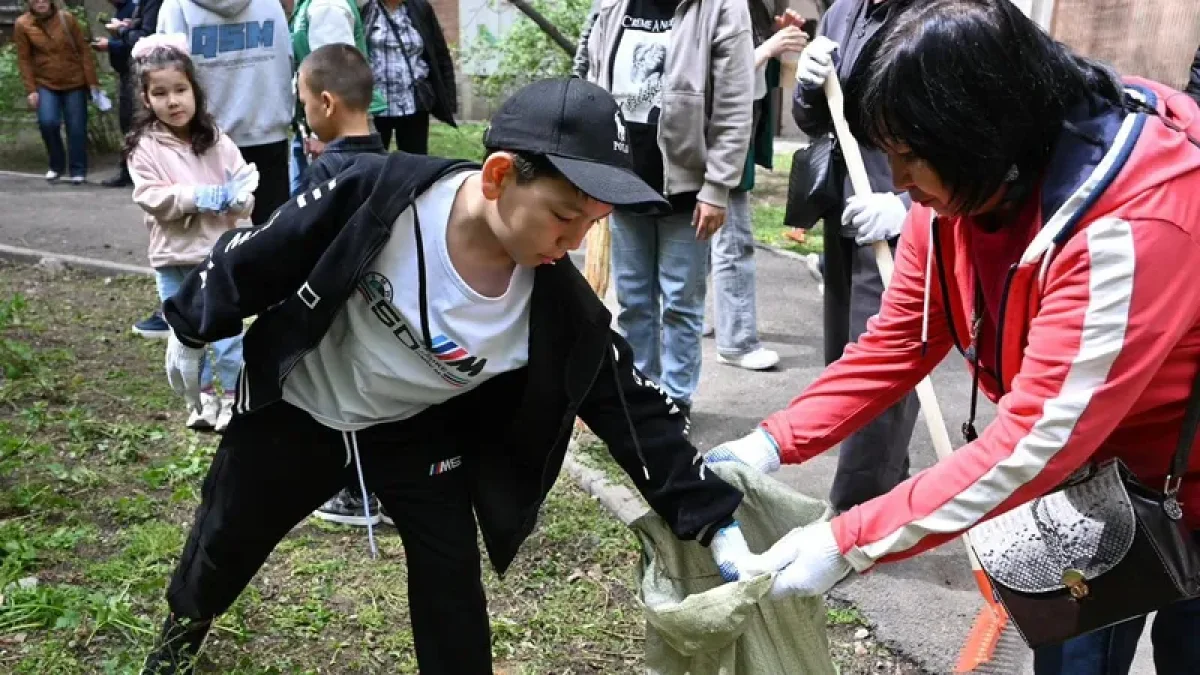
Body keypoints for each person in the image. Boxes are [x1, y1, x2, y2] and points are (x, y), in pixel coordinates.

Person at [139, 78, 769, 675]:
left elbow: (632, 410)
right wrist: (195, 323)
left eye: (593, 224)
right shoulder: (377, 195)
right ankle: (183, 632)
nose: (574, 242)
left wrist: (713, 517)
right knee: (226, 536)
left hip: (415, 432)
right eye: (563, 215)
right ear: (498, 176)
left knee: (450, 578)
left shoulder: (557, 308)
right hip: (301, 409)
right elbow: (263, 252)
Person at [706, 1, 1200, 673]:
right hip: (1082, 484)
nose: (902, 184)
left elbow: (1032, 443)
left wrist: (847, 540)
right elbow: (896, 343)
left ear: (982, 134)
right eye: (891, 156)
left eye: (912, 158)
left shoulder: (1127, 229)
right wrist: (768, 443)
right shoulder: (956, 202)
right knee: (1069, 657)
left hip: (1184, 474)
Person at [581, 0, 755, 423]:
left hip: (687, 186)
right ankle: (642, 394)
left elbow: (734, 105)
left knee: (680, 302)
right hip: (623, 180)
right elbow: (590, 73)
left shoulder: (722, 8)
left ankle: (676, 401)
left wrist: (716, 189)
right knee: (634, 301)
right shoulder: (614, 3)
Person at [790, 0, 920, 513]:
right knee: (843, 359)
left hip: (904, 212)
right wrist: (806, 84)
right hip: (847, 210)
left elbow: (985, 135)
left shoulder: (946, 15)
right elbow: (814, 119)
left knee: (879, 363)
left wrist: (908, 208)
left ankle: (855, 514)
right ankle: (887, 483)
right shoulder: (844, 11)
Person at [125, 33, 255, 433]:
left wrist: (236, 200)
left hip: (217, 256)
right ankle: (200, 402)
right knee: (185, 336)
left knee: (227, 336)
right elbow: (150, 197)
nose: (173, 101)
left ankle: (233, 399)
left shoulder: (217, 141)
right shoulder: (143, 147)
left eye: (180, 90)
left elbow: (245, 187)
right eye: (160, 93)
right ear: (146, 99)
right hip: (173, 259)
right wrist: (197, 197)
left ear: (194, 90)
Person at [292, 43, 390, 526]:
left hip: (336, 310)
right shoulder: (390, 164)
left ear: (326, 103)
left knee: (346, 402)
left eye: (305, 104)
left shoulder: (326, 172)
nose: (305, 114)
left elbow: (296, 240)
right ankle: (389, 491)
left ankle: (357, 495)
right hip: (385, 306)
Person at [706, 4, 808, 372]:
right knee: (733, 240)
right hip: (719, 139)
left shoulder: (751, 7)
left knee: (702, 234)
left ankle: (696, 318)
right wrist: (768, 47)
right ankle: (736, 341)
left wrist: (774, 39)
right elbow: (711, 72)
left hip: (727, 137)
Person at [157, 0, 294, 227]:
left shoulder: (176, 7)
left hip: (202, 139)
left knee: (210, 242)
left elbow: (163, 73)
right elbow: (286, 59)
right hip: (267, 133)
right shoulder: (270, 4)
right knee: (272, 239)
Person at [286, 0, 385, 194]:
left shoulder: (327, 6)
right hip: (316, 128)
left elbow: (335, 74)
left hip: (331, 135)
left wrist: (321, 138)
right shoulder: (310, 5)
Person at [13, 0, 102, 185]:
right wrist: (31, 89)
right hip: (45, 83)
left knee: (76, 127)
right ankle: (56, 165)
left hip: (74, 81)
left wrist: (92, 83)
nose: (41, 2)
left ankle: (78, 170)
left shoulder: (66, 19)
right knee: (48, 122)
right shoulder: (23, 24)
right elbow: (24, 59)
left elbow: (84, 51)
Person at [361, 0, 456, 154]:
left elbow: (439, 51)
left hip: (413, 100)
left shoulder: (420, 8)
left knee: (415, 161)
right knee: (372, 160)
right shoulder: (366, 9)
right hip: (376, 102)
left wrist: (448, 98)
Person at [91, 0, 138, 188]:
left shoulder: (134, 8)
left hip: (134, 73)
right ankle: (128, 169)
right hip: (125, 74)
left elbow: (136, 43)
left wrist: (110, 45)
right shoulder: (121, 10)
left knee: (133, 122)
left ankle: (134, 171)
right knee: (127, 124)